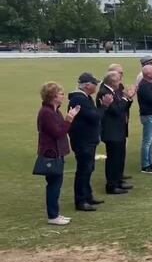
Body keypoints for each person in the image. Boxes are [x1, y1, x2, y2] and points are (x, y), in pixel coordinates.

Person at [68, 73, 113, 211]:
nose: (96, 86)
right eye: (94, 84)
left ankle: (87, 196)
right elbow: (94, 117)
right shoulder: (79, 99)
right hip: (83, 140)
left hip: (87, 140)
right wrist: (104, 106)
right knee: (84, 170)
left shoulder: (85, 98)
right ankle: (81, 200)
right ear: (87, 85)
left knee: (88, 169)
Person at [37, 82, 80, 224]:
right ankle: (53, 216)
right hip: (51, 153)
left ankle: (55, 214)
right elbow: (58, 132)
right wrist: (69, 119)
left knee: (56, 184)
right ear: (53, 96)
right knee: (54, 185)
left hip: (57, 152)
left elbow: (61, 129)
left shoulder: (55, 111)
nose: (63, 96)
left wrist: (67, 118)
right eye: (61, 94)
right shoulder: (46, 113)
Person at [97, 71, 134, 195]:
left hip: (118, 130)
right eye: (118, 80)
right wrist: (125, 98)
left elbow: (122, 107)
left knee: (119, 158)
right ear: (112, 82)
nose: (120, 82)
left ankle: (118, 181)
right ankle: (111, 185)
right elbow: (117, 110)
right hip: (112, 132)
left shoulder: (113, 91)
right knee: (113, 159)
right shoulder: (105, 92)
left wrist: (128, 99)